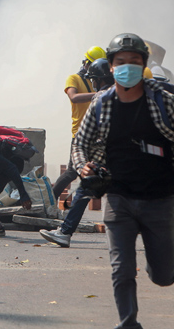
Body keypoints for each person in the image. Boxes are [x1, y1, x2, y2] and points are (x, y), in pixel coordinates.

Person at [72, 33, 174, 329]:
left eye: (134, 62)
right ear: (111, 66)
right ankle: (128, 322)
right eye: (121, 62)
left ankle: (158, 265)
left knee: (163, 275)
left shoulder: (163, 102)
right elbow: (80, 144)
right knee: (121, 269)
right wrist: (83, 166)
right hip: (118, 198)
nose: (127, 67)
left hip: (159, 199)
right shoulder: (102, 104)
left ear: (143, 64)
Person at [40, 57, 113, 247]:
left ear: (100, 79)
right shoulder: (130, 95)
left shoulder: (100, 98)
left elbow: (86, 136)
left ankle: (64, 232)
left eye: (94, 80)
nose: (93, 83)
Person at [51, 46, 106, 201]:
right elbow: (73, 97)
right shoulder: (74, 79)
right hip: (81, 133)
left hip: (97, 133)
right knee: (72, 171)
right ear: (86, 63)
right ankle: (50, 201)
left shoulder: (97, 81)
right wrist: (99, 94)